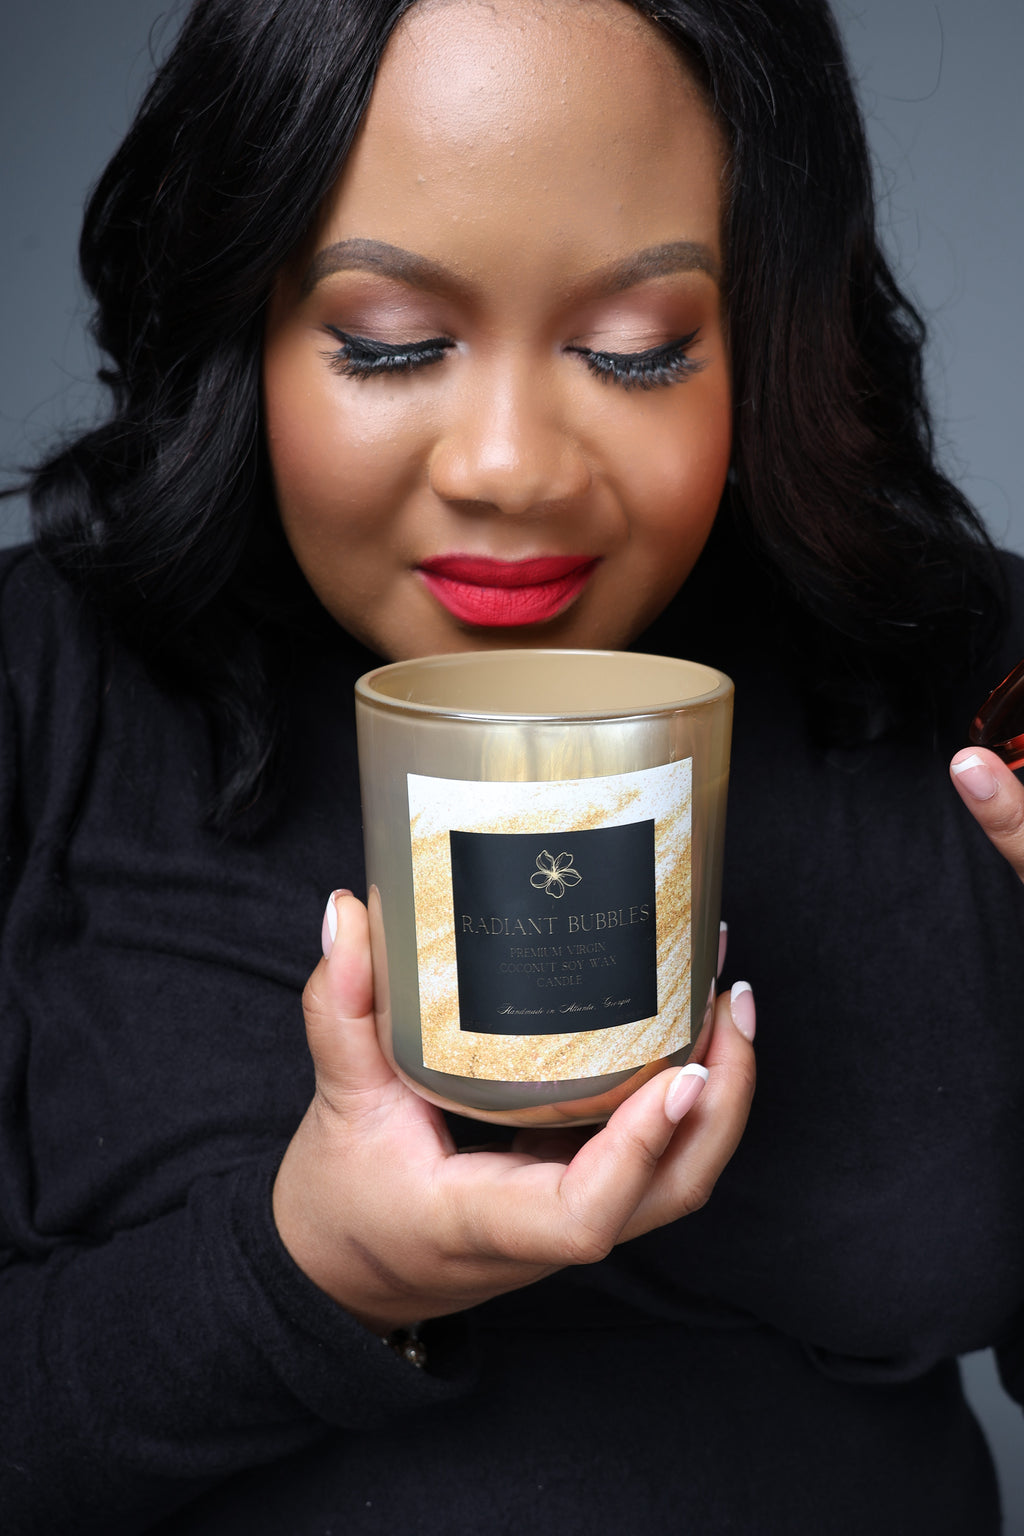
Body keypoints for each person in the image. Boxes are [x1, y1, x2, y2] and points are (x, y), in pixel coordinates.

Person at [2, 0, 1022, 1531]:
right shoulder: (42, 684)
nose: (510, 465)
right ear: (245, 312)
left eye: (636, 351)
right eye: (391, 341)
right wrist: (308, 1276)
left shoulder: (982, 689)